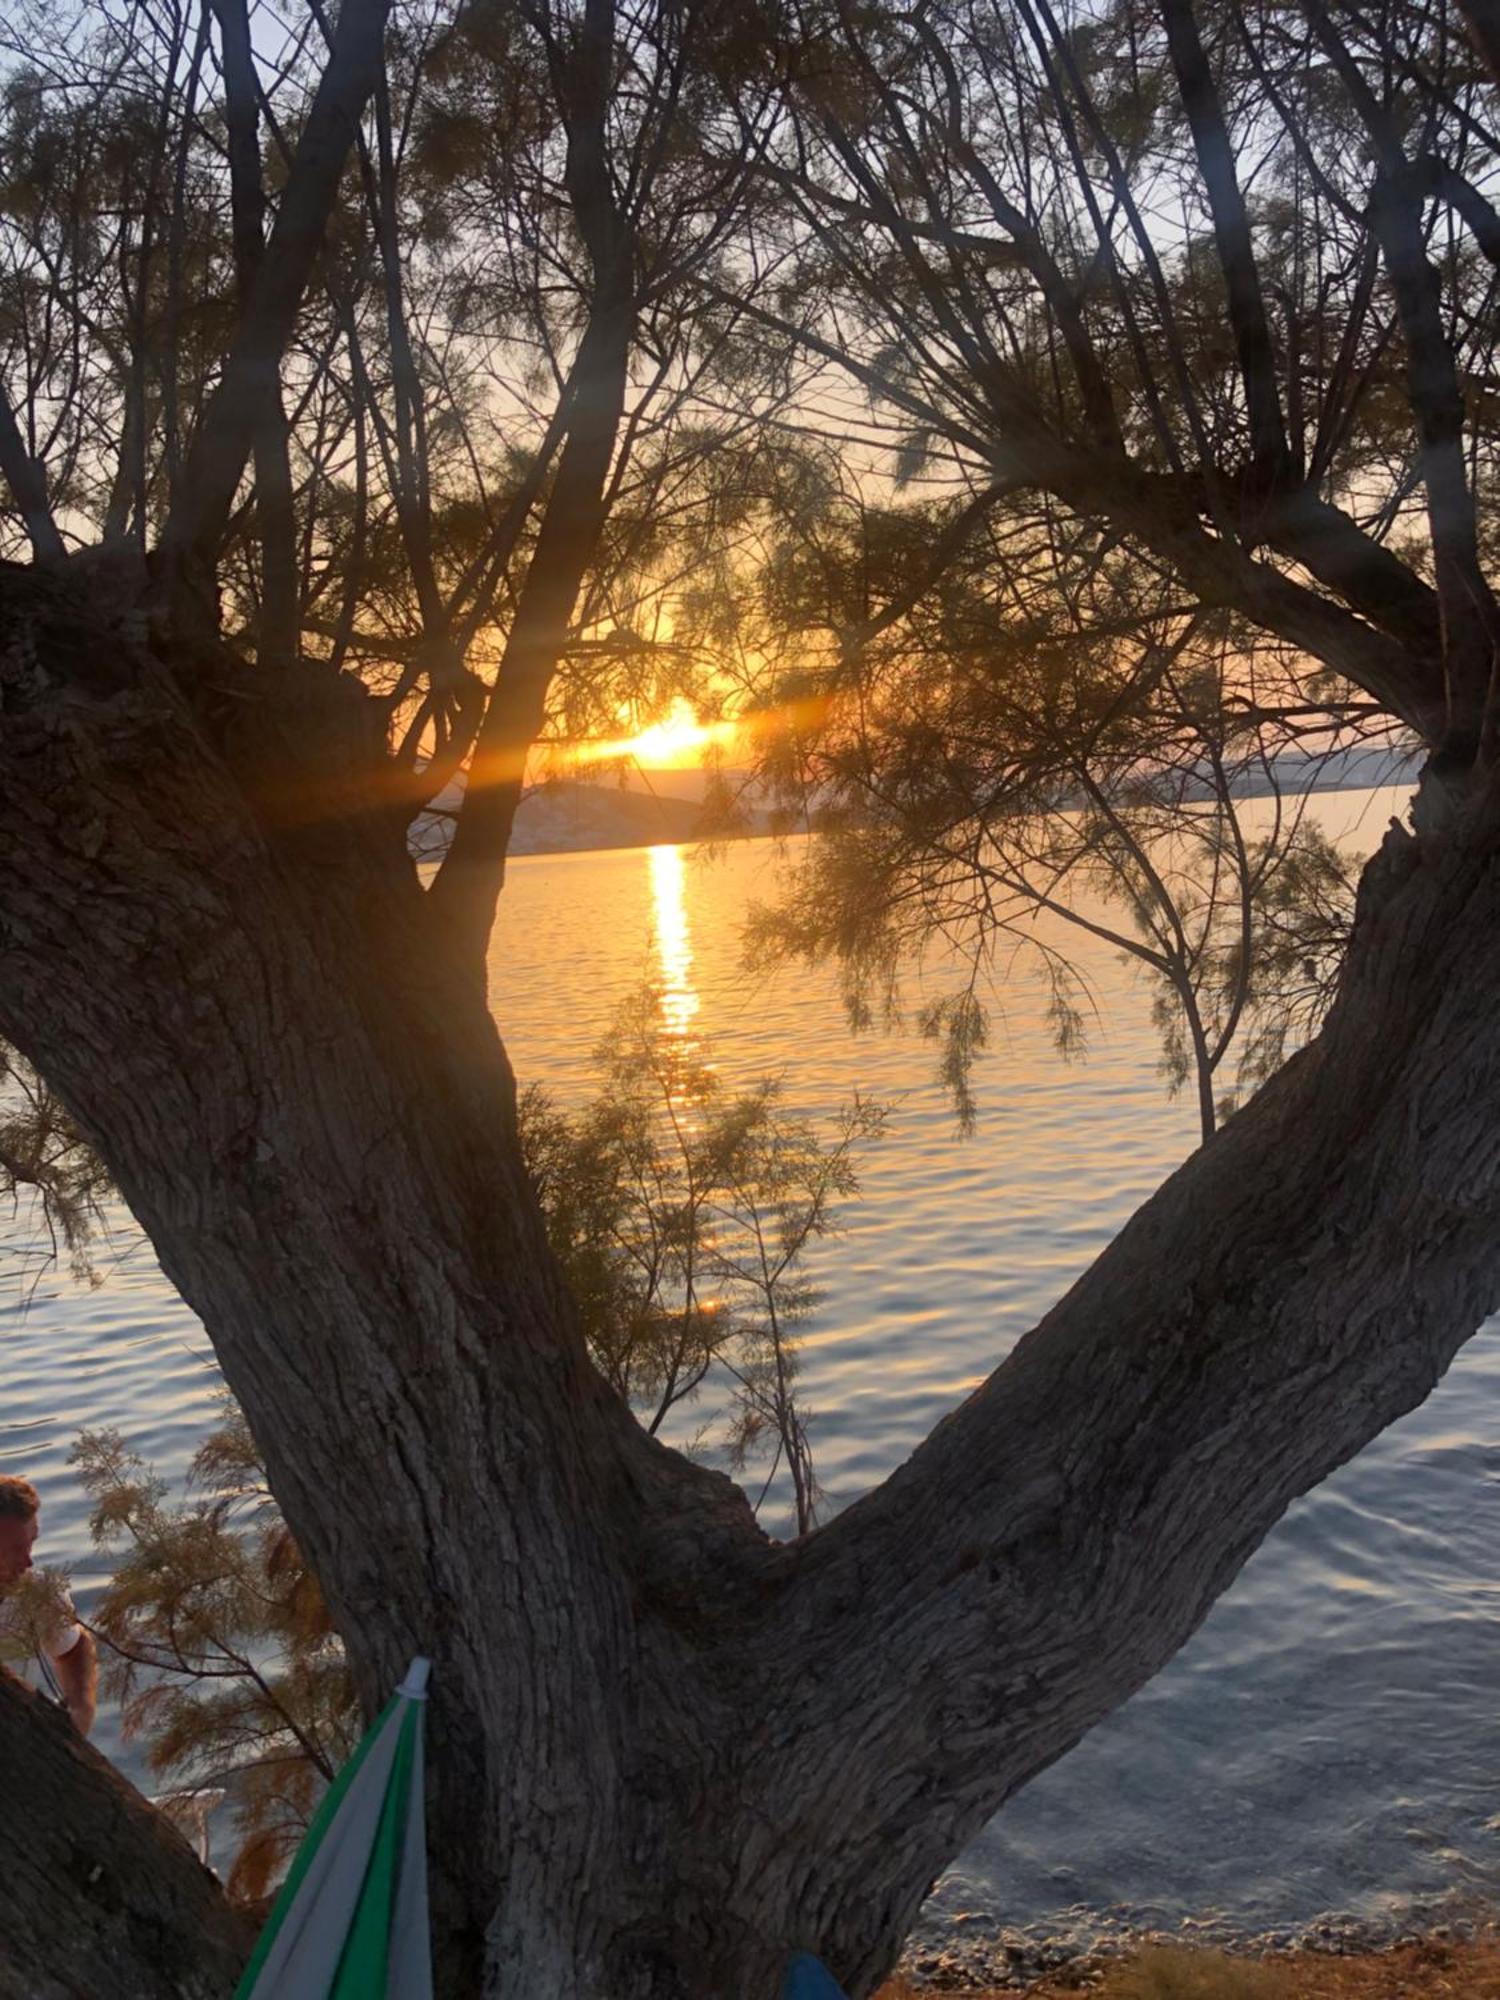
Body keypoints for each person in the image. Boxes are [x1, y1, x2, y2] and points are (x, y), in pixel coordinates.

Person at [0, 1474, 97, 1736]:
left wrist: (81, 1710)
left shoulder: (40, 1593)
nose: (28, 1562)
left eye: (31, 1544)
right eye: (15, 1549)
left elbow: (74, 1649)